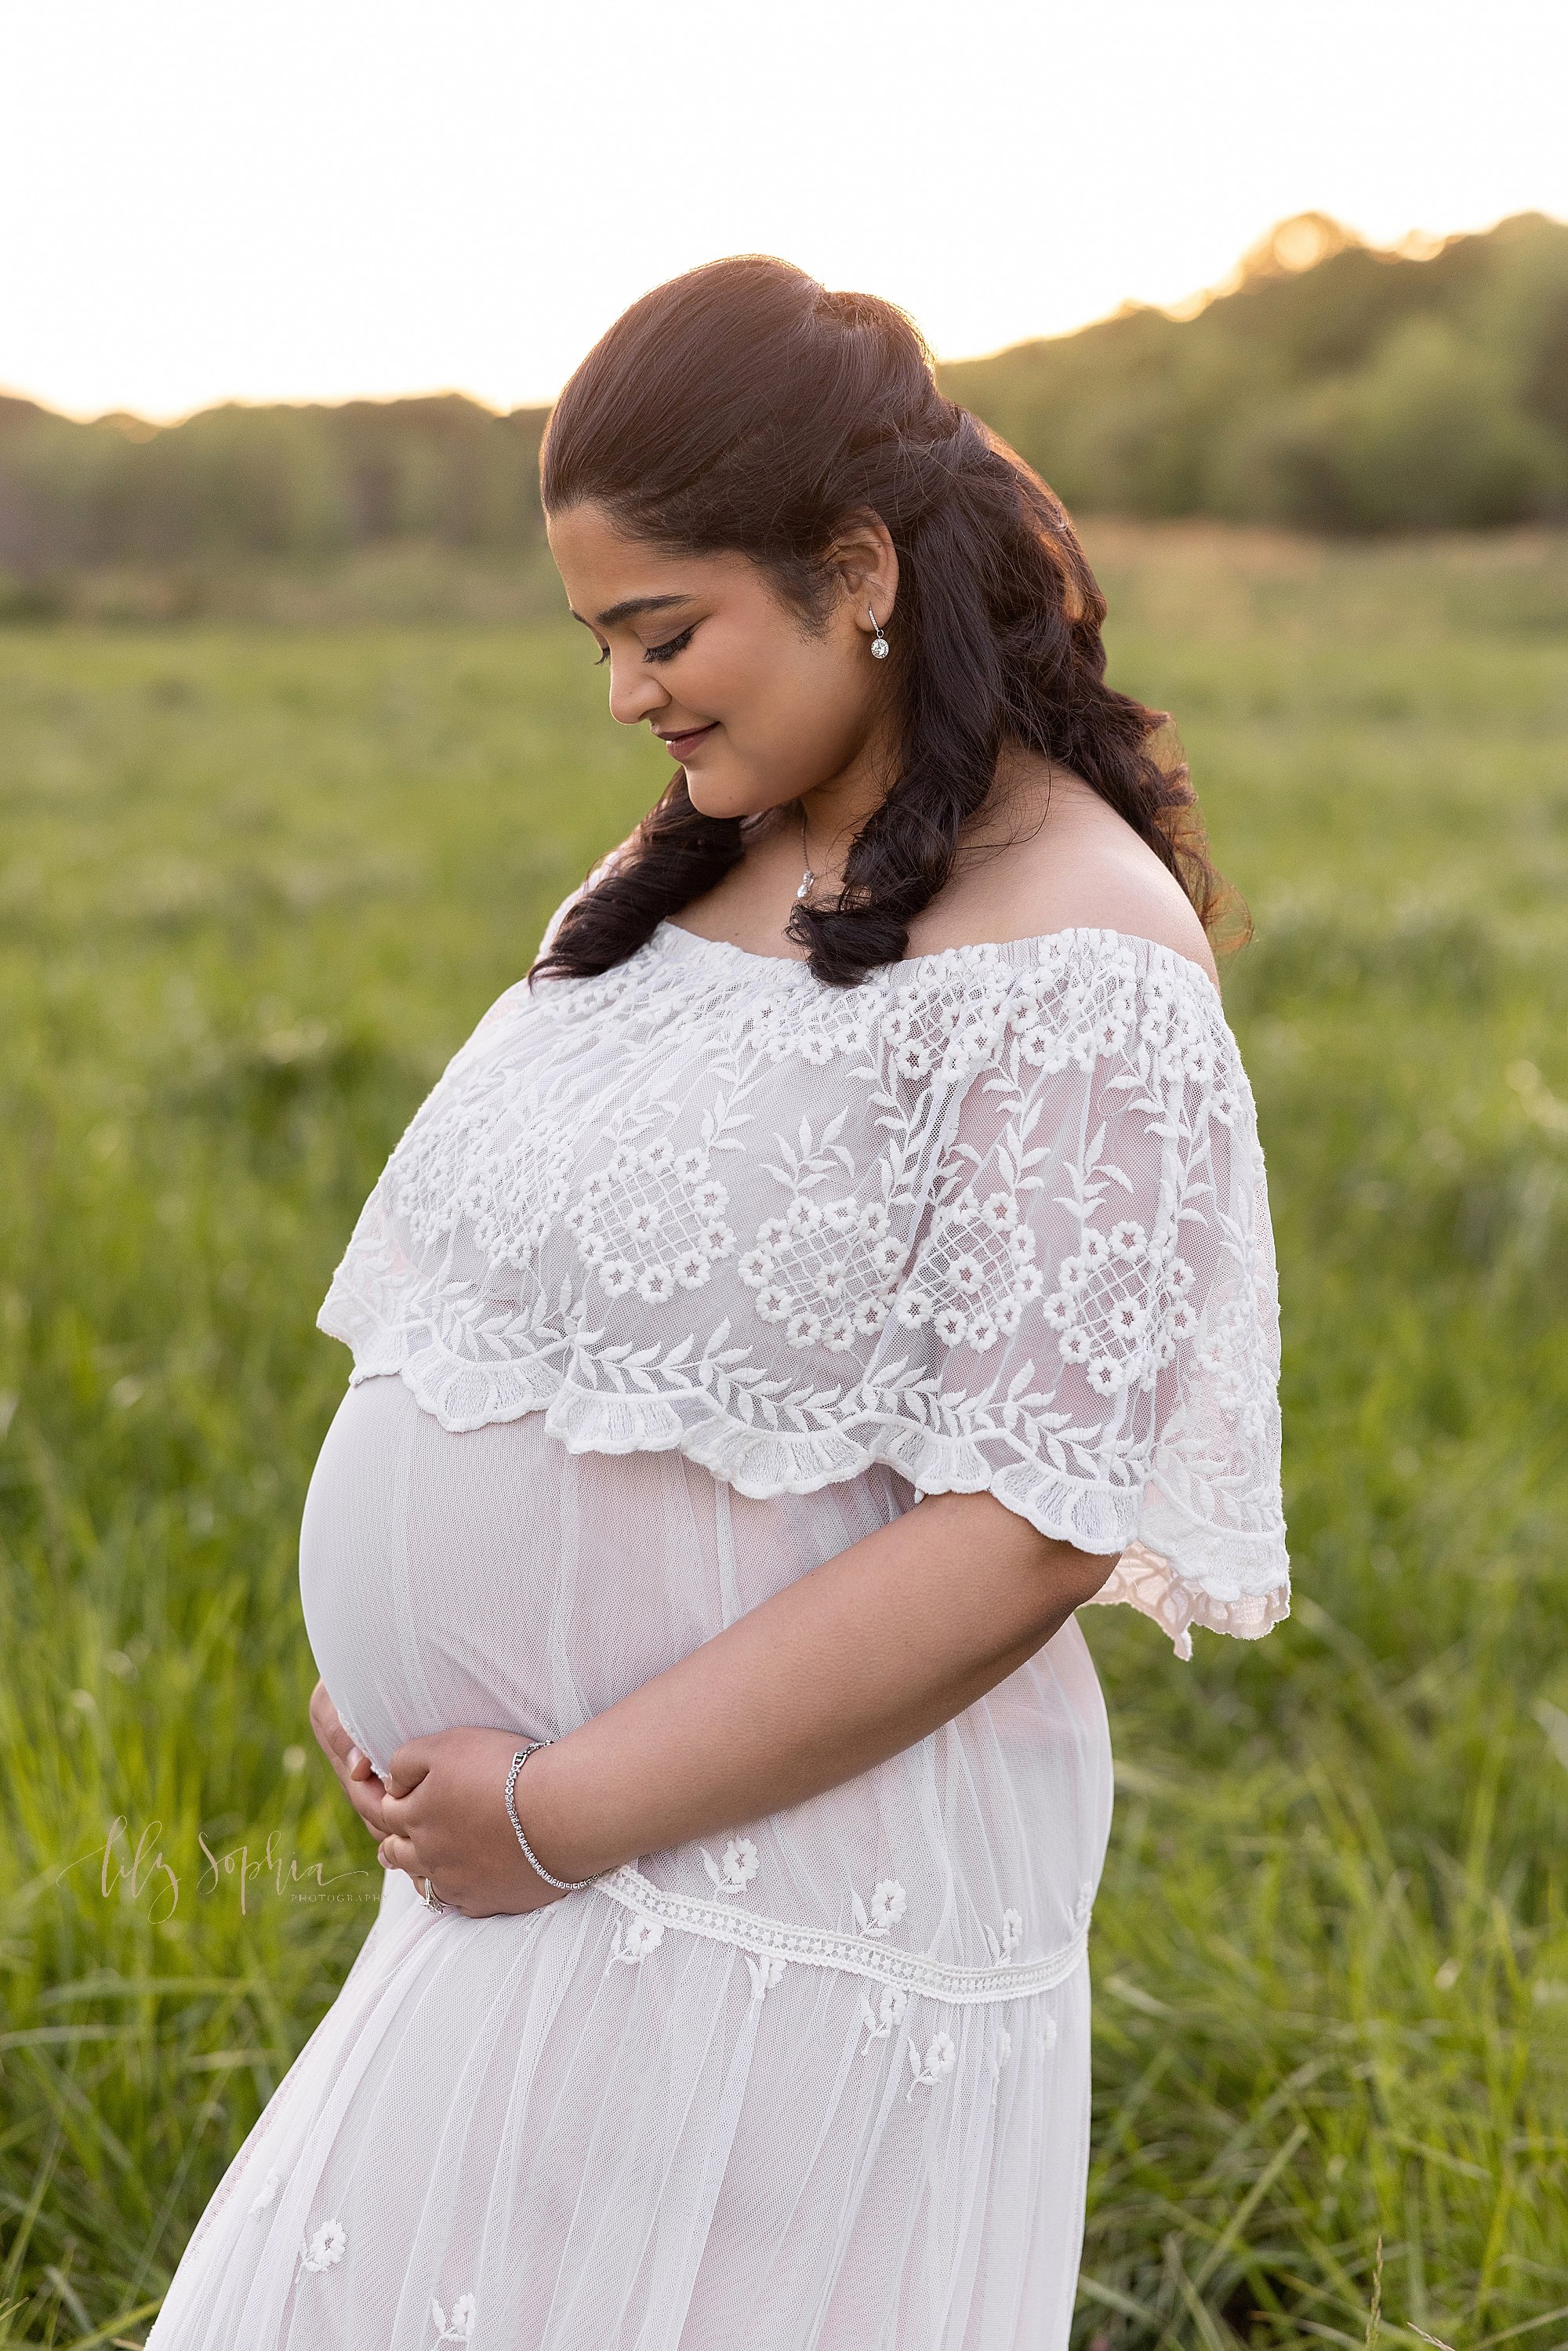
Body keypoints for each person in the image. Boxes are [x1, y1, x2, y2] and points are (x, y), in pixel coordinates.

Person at [144, 256, 1287, 2351]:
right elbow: (546, 1316)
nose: (628, 698)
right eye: (600, 641)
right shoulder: (711, 849)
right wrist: (425, 1702)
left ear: (856, 568)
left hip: (773, 1912)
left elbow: (1031, 1527)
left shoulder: (1083, 956)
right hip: (545, 1886)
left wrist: (554, 1811)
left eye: (666, 634)